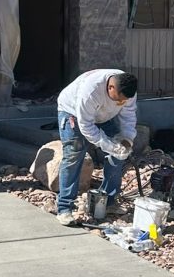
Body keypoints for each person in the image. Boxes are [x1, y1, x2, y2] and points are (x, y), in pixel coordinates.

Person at [55, 68, 139, 225]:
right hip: (73, 113)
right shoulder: (90, 91)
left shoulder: (127, 89)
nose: (119, 103)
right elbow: (86, 126)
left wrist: (126, 139)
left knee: (119, 154)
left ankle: (108, 201)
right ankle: (64, 207)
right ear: (110, 88)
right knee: (74, 155)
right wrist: (109, 146)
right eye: (118, 99)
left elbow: (128, 116)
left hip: (104, 115)